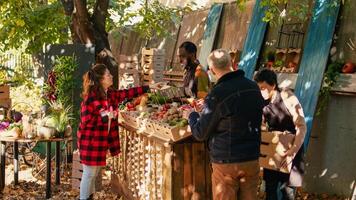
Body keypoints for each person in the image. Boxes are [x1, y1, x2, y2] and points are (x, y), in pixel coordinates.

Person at [186, 49, 264, 200]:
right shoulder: (253, 87)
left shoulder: (217, 93)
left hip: (226, 163)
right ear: (232, 64)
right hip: (251, 159)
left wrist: (192, 115)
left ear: (212, 70)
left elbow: (200, 133)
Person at [77, 64, 149, 200]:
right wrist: (105, 117)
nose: (111, 77)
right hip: (90, 142)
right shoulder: (91, 97)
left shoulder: (109, 94)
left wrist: (147, 88)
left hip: (100, 142)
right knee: (89, 173)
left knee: (95, 172)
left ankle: (89, 197)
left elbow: (126, 93)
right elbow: (86, 120)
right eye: (108, 75)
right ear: (101, 79)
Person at [254, 69, 307, 200]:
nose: (261, 91)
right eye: (258, 88)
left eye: (263, 87)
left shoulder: (287, 96)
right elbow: (261, 125)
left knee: (287, 191)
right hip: (274, 148)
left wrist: (294, 150)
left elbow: (301, 125)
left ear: (273, 84)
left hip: (291, 147)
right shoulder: (262, 101)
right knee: (270, 188)